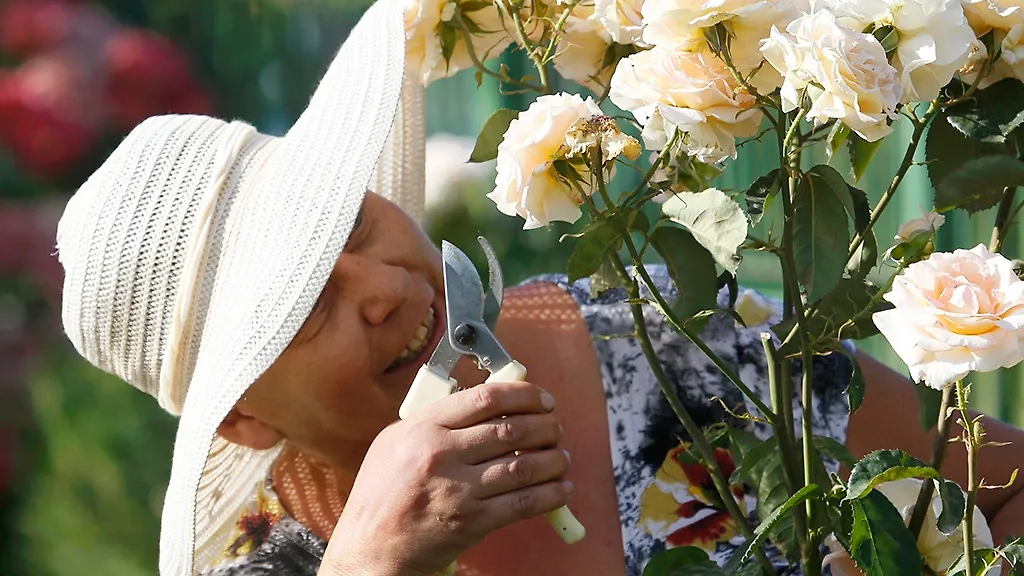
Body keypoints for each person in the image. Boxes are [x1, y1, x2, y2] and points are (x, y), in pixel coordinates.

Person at [53, 0, 1024, 574]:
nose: (384, 288)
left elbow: (1002, 491)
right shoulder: (274, 563)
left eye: (352, 226)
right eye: (302, 307)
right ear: (245, 419)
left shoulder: (656, 333)